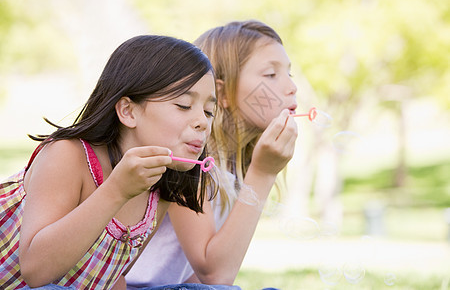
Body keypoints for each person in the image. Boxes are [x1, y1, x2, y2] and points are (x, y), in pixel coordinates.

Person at [0, 35, 218, 289]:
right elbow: (35, 272)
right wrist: (116, 191)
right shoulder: (68, 156)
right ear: (128, 111)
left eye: (209, 111)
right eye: (183, 105)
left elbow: (110, 276)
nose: (202, 121)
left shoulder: (162, 183)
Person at [123, 20, 298, 289]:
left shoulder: (235, 165)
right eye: (271, 75)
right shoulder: (189, 161)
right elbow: (215, 275)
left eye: (289, 73)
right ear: (222, 94)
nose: (291, 88)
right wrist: (263, 174)